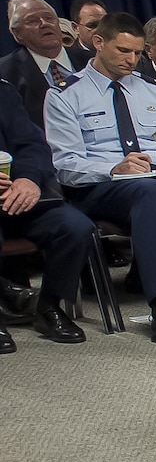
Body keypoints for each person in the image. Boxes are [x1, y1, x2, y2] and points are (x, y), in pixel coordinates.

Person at [42, 11, 156, 346]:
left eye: (137, 53)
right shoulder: (64, 95)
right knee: (146, 191)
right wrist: (114, 168)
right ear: (98, 43)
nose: (132, 60)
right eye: (123, 51)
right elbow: (66, 166)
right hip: (98, 189)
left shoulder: (154, 92)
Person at [0, 79, 95, 351]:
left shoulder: (3, 92)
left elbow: (32, 146)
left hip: (16, 194)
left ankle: (49, 307)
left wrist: (28, 179)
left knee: (75, 227)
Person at [1, 0, 95, 123]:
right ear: (17, 33)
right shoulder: (6, 73)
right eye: (32, 21)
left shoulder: (91, 60)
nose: (44, 24)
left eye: (49, 18)